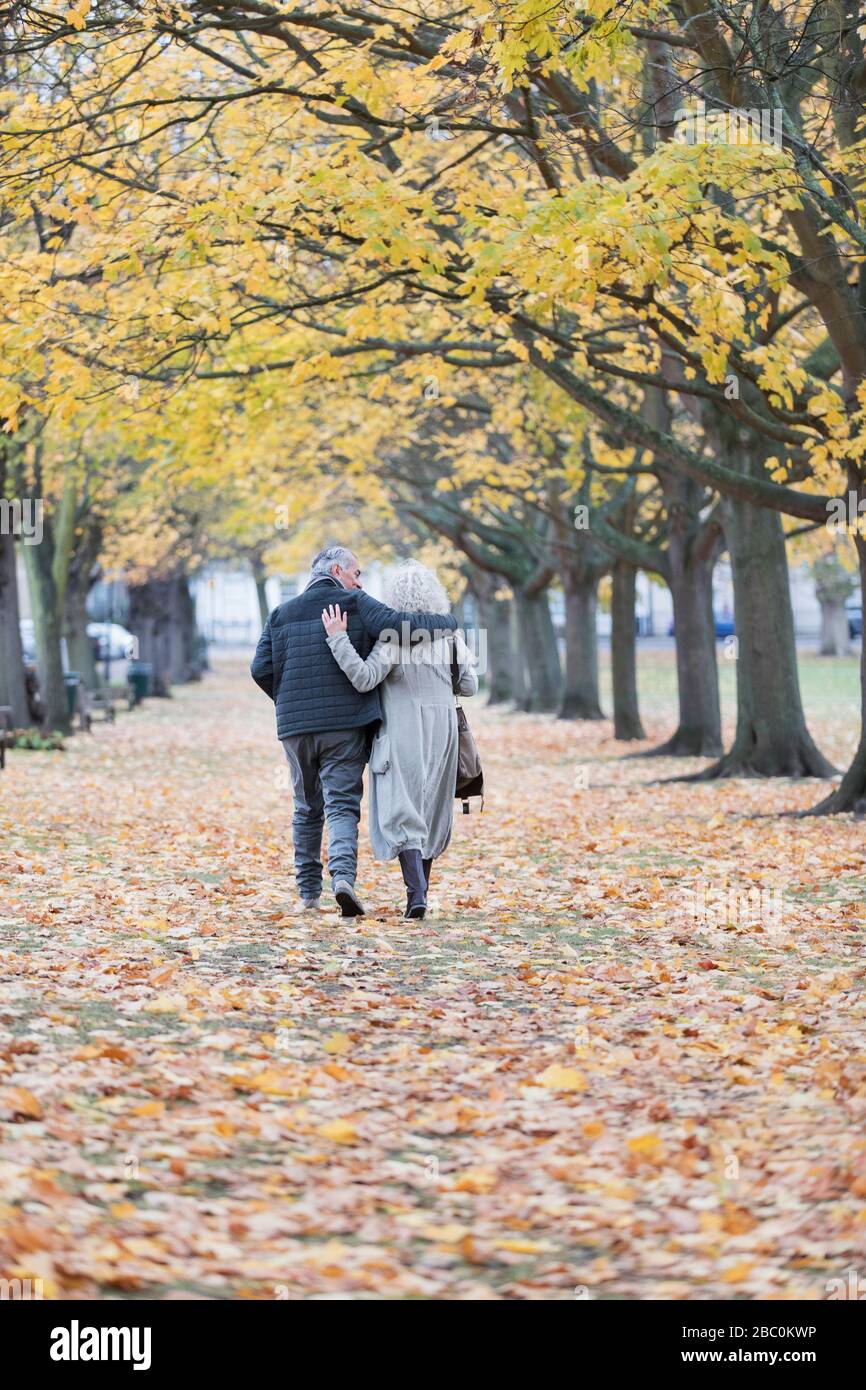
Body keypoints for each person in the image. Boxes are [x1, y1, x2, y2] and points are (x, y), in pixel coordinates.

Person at [251, 545, 456, 917]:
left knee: (305, 808)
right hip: (344, 726)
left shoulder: (280, 614)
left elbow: (259, 668)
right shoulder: (356, 604)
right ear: (337, 570)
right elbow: (404, 627)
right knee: (342, 805)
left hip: (295, 728)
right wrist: (451, 624)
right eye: (357, 573)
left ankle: (308, 894)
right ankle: (343, 879)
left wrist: (287, 701)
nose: (359, 581)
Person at [321, 560, 478, 921]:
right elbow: (469, 686)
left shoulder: (391, 638)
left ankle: (416, 893)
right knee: (432, 807)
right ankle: (422, 891)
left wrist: (338, 639)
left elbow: (363, 678)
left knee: (403, 807)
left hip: (402, 730)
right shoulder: (450, 637)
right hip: (443, 732)